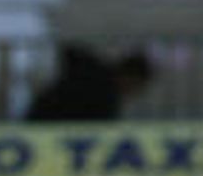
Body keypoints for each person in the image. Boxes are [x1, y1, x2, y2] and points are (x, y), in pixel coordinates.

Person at [25, 44, 154, 121]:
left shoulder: (90, 69)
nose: (132, 93)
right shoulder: (105, 96)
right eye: (137, 87)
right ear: (130, 77)